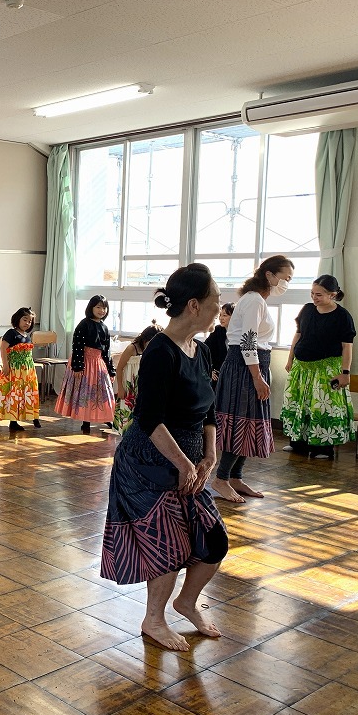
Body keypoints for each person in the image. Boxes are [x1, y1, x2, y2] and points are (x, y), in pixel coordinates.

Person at [101, 263, 227, 652]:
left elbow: (208, 410)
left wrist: (210, 454)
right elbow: (148, 417)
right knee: (168, 547)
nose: (220, 307)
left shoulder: (202, 350)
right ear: (194, 305)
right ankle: (153, 620)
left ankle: (186, 602)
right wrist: (184, 464)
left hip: (188, 460)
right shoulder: (160, 351)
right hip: (148, 463)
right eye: (216, 300)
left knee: (214, 542)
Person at [212, 255, 294, 502]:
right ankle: (221, 478)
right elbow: (248, 341)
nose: (287, 283)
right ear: (269, 275)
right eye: (286, 278)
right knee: (241, 421)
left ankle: (235, 477)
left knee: (250, 423)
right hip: (244, 367)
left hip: (252, 365)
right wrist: (257, 377)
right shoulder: (254, 300)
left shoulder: (256, 300)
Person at [281, 275, 356, 460]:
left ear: (333, 295)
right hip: (302, 367)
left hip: (326, 368)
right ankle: (298, 443)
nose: (314, 298)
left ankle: (322, 448)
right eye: (312, 293)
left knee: (321, 407)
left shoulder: (342, 316)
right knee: (299, 404)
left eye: (319, 295)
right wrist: (290, 358)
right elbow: (298, 335)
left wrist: (345, 373)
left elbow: (347, 346)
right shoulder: (307, 309)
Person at [56, 295, 116, 434]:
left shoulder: (105, 327)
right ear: (91, 308)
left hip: (98, 362)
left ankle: (106, 417)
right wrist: (78, 366)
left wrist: (110, 370)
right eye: (98, 307)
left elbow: (106, 351)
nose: (102, 310)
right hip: (84, 362)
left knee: (102, 391)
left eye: (104, 307)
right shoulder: (84, 324)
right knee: (86, 391)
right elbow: (77, 346)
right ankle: (86, 421)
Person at [0, 307, 41, 432]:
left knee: (28, 393)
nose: (27, 323)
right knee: (14, 394)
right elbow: (3, 348)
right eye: (25, 320)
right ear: (18, 319)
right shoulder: (11, 333)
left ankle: (33, 416)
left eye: (29, 321)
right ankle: (13, 421)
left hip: (27, 370)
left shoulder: (27, 336)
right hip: (15, 370)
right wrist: (5, 365)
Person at [113, 322, 163, 434]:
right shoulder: (132, 348)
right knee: (127, 412)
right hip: (129, 386)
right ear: (144, 339)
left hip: (142, 385)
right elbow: (119, 368)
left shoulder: (154, 350)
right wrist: (120, 388)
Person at [203, 303, 234, 391]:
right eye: (220, 315)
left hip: (234, 375)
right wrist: (209, 369)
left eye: (225, 315)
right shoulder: (218, 330)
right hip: (218, 375)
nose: (221, 318)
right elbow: (204, 350)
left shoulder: (240, 333)